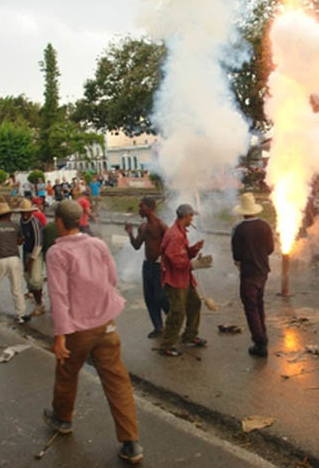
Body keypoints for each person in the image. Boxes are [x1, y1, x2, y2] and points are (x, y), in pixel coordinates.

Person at [43, 200, 143, 464]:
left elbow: (59, 295)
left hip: (78, 328)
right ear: (80, 220)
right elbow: (111, 278)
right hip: (106, 324)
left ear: (60, 222)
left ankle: (62, 418)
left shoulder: (57, 253)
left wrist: (60, 336)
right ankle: (131, 442)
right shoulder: (97, 244)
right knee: (118, 380)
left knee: (66, 373)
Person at [158, 204, 206, 357]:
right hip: (175, 280)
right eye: (191, 216)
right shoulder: (174, 235)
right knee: (178, 312)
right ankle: (166, 345)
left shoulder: (181, 232)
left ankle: (189, 336)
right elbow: (176, 261)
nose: (192, 219)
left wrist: (194, 249)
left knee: (195, 303)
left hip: (185, 277)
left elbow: (183, 254)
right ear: (186, 216)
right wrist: (193, 264)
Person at [231, 193, 274, 357]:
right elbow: (270, 248)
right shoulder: (265, 225)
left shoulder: (239, 229)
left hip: (248, 273)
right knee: (259, 303)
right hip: (263, 271)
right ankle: (263, 333)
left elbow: (236, 255)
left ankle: (260, 342)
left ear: (242, 211)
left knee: (250, 307)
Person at [125, 197, 170, 338]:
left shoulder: (161, 226)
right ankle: (158, 327)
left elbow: (171, 245)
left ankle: (175, 318)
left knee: (161, 297)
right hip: (147, 265)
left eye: (141, 206)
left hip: (159, 265)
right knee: (149, 298)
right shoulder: (143, 227)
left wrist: (166, 263)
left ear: (150, 208)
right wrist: (130, 233)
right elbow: (137, 246)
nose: (139, 209)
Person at [16, 199, 46, 316]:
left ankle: (39, 304)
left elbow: (39, 242)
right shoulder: (22, 221)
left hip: (36, 252)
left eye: (27, 212)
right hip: (26, 250)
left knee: (36, 280)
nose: (25, 215)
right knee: (28, 278)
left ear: (31, 212)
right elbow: (23, 236)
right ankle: (37, 296)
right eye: (23, 212)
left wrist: (32, 260)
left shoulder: (35, 222)